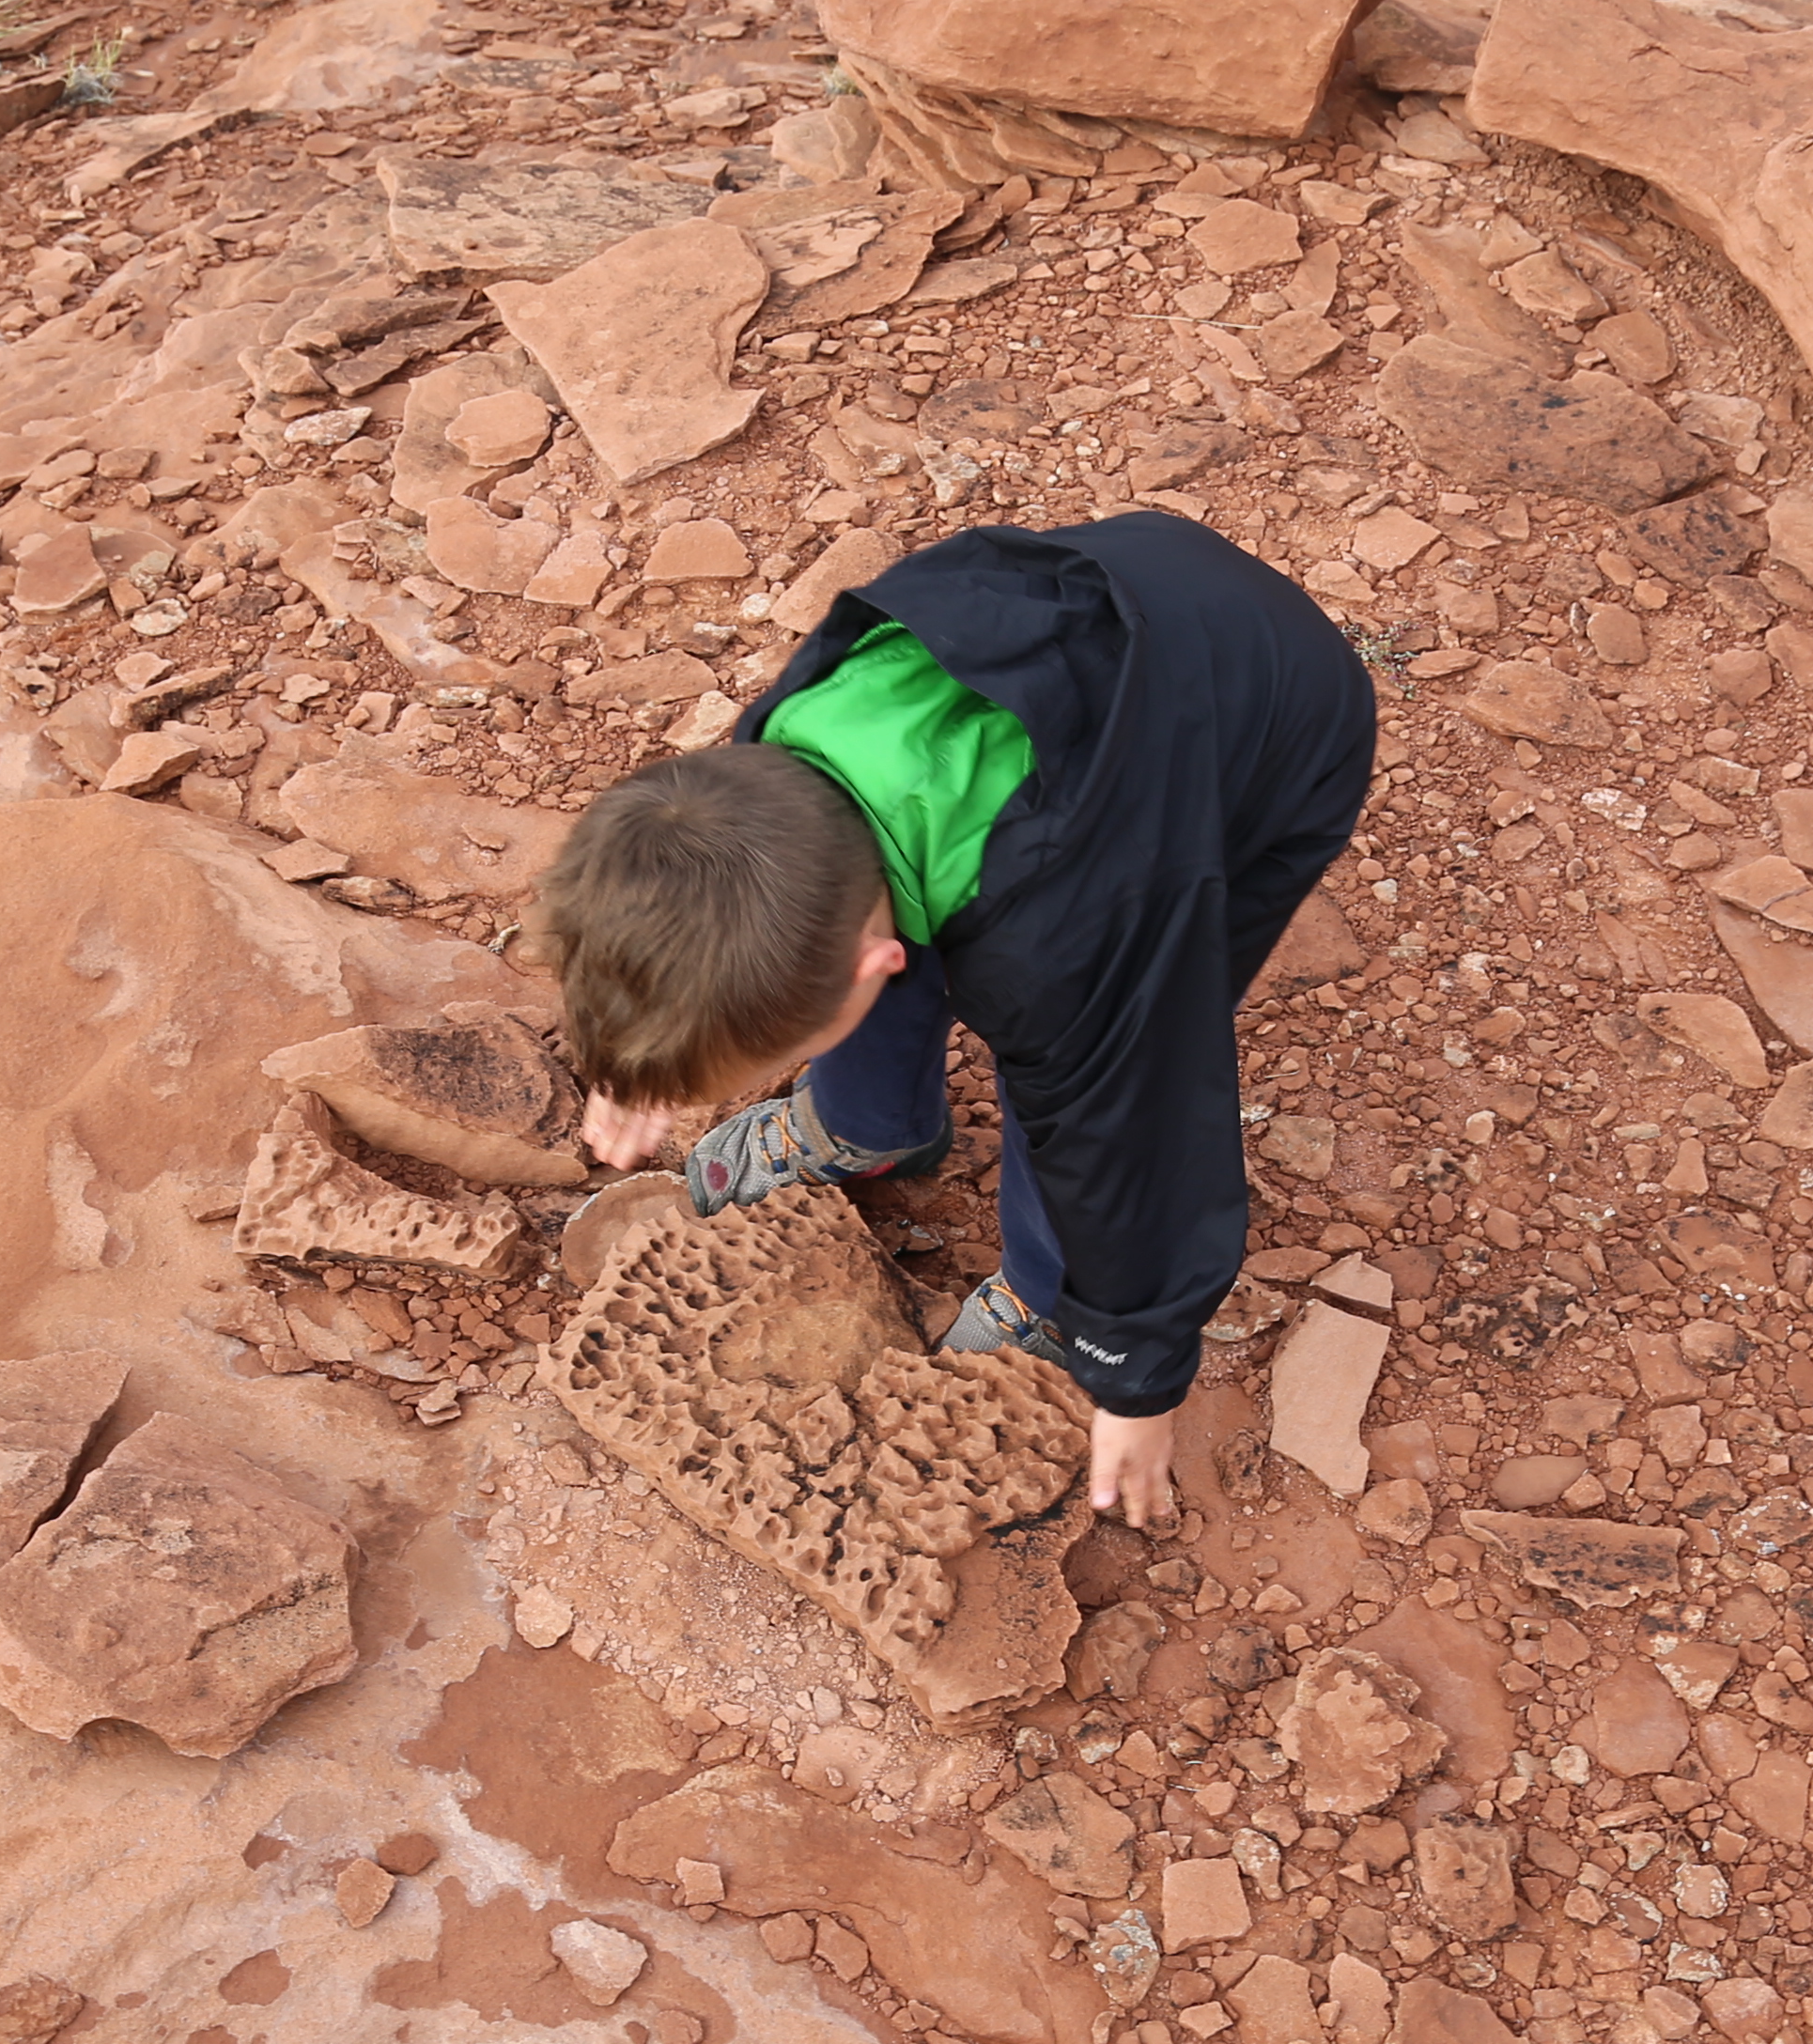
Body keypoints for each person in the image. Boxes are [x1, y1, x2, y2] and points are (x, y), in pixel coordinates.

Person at [525, 511, 1380, 1530]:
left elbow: (1134, 1127)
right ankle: (871, 1124)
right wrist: (639, 1056)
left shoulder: (1070, 943)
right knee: (830, 925)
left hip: (1269, 734)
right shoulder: (761, 773)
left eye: (777, 1058)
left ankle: (1048, 1299)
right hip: (1089, 657)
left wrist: (1132, 1372)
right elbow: (684, 925)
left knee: (1097, 1050)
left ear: (886, 967)